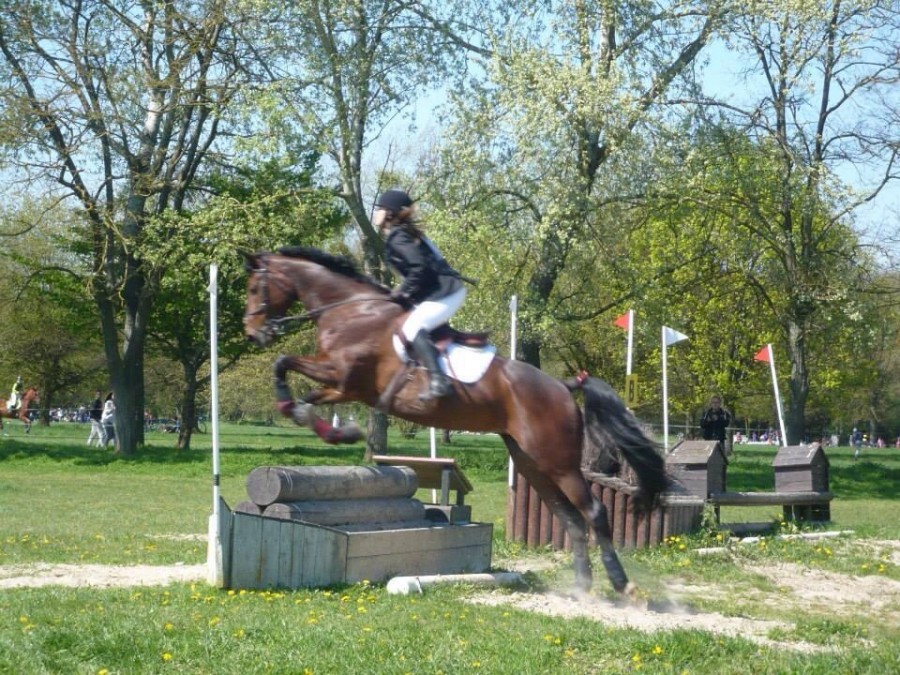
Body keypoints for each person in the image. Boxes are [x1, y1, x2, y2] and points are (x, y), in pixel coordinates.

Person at [375, 189, 470, 400]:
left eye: (380, 208)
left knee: (413, 327)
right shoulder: (402, 234)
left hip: (446, 292)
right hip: (441, 291)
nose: (376, 213)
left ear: (390, 212)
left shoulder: (398, 237)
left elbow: (419, 267)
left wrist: (402, 291)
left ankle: (439, 382)